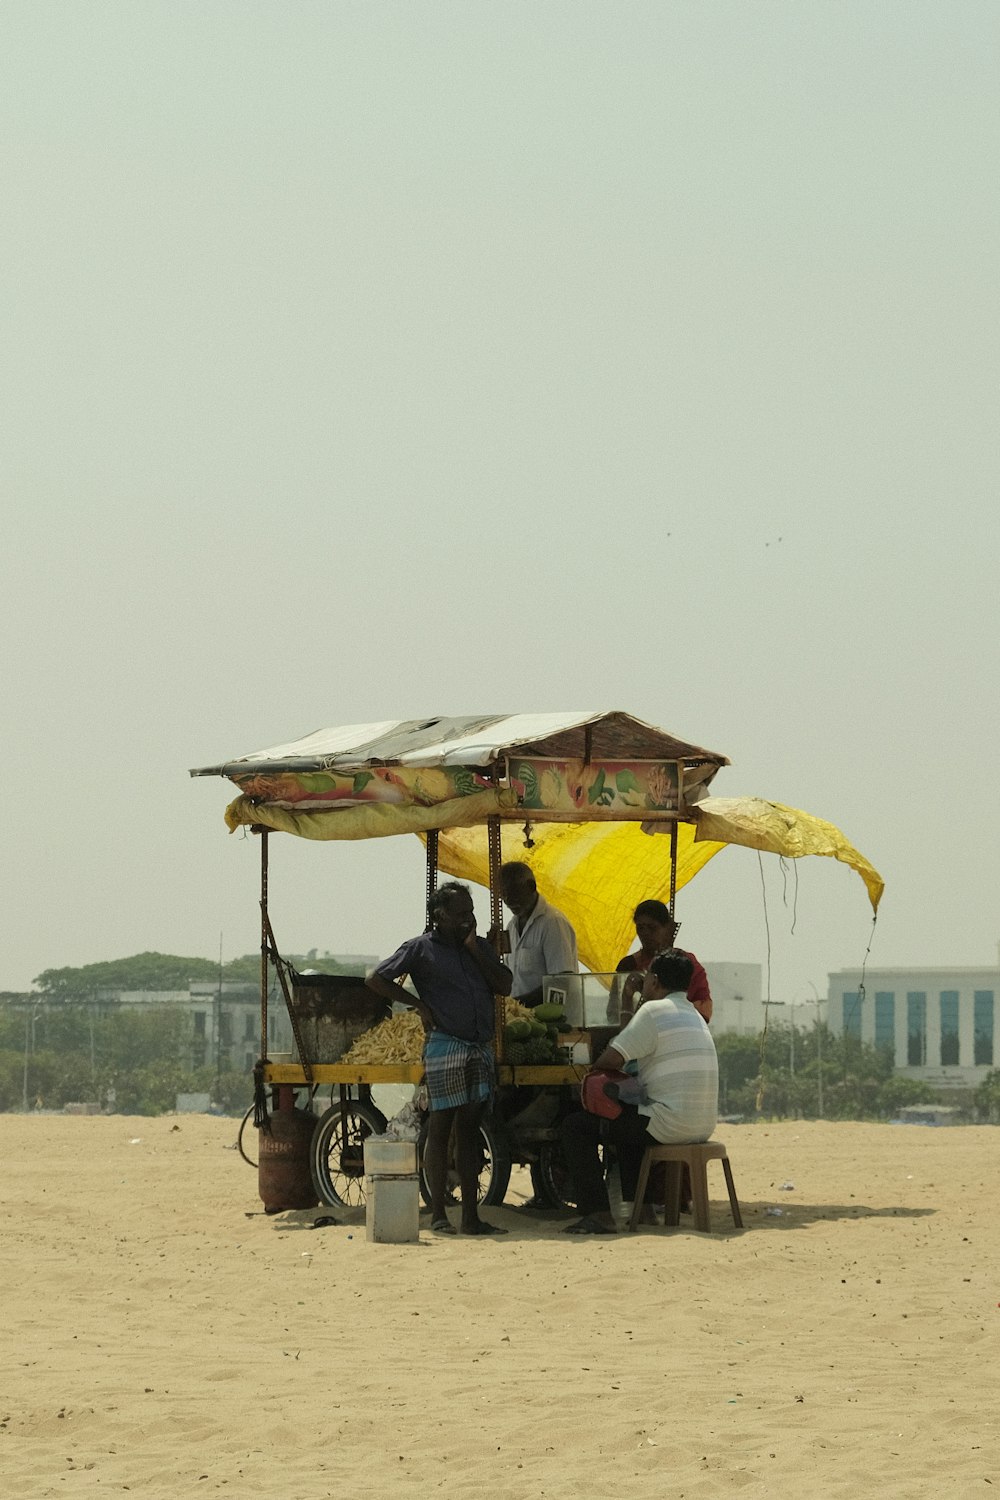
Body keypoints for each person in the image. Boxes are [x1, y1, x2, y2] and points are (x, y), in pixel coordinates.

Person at [365, 882, 513, 1237]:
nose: (467, 919)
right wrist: (417, 1004)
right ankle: (438, 1215)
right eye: (460, 914)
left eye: (470, 912)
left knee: (469, 1130)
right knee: (441, 1126)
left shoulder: (477, 948)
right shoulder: (420, 948)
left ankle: (471, 1217)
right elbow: (376, 978)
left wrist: (476, 950)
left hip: (478, 1046)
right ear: (439, 916)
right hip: (445, 1044)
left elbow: (504, 985)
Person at [559, 949, 718, 1235]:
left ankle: (599, 1214)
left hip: (669, 1125)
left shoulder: (654, 1010)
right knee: (627, 1119)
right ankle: (642, 1210)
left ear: (654, 981)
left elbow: (612, 1059)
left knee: (576, 1127)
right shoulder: (693, 1013)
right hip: (703, 1125)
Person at [616, 899, 712, 1022]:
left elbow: (704, 1010)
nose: (645, 934)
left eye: (652, 928)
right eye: (640, 928)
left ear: (668, 928)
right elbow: (613, 1013)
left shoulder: (686, 963)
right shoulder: (628, 965)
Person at [499, 860, 578, 1007]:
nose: (508, 900)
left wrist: (518, 1004)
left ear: (531, 887)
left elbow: (561, 981)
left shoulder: (552, 923)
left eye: (514, 893)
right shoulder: (511, 927)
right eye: (503, 895)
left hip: (551, 1022)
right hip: (523, 1020)